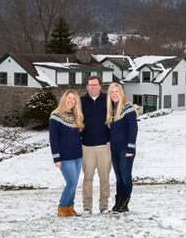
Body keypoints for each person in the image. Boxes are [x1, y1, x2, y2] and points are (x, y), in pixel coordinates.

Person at [49, 89, 84, 217]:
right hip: (65, 157)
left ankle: (70, 207)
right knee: (71, 182)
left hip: (77, 156)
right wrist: (56, 158)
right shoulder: (56, 116)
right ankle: (62, 206)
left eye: (74, 99)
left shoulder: (76, 116)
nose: (71, 101)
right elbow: (53, 139)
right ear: (64, 99)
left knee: (74, 184)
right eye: (69, 98)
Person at [105, 82, 138, 213]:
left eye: (117, 92)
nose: (114, 94)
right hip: (114, 149)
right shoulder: (111, 110)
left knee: (125, 177)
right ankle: (118, 203)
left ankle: (125, 203)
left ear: (121, 93)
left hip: (126, 149)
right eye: (112, 92)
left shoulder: (128, 108)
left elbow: (133, 129)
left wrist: (130, 148)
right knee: (118, 178)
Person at [80, 76, 111, 215]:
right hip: (87, 147)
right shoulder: (81, 102)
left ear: (100, 86)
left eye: (96, 85)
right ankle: (87, 207)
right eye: (90, 85)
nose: (93, 87)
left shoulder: (108, 99)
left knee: (104, 178)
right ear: (87, 87)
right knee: (88, 178)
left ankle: (104, 207)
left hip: (105, 146)